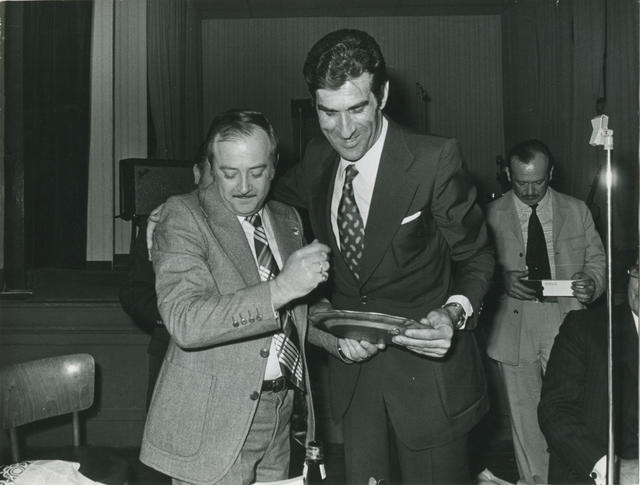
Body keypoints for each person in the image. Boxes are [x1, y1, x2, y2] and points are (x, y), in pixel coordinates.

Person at [273, 29, 495, 484]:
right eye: (328, 112)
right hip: (356, 382)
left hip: (430, 383)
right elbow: (265, 197)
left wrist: (453, 313)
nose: (344, 130)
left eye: (357, 108)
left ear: (383, 96)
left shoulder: (434, 159)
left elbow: (477, 258)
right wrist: (192, 206)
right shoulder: (317, 159)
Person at [139, 109, 340, 485]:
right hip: (214, 423)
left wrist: (341, 340)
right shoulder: (183, 216)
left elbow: (294, 313)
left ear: (275, 166)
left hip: (281, 413)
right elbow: (185, 321)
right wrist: (280, 288)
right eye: (229, 173)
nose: (244, 186)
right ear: (211, 168)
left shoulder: (287, 218)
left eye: (257, 172)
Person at [485, 139, 606, 484]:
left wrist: (592, 282)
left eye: (537, 181)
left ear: (551, 173)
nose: (529, 190)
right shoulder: (489, 215)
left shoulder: (577, 210)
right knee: (524, 418)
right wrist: (500, 280)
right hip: (513, 324)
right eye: (520, 182)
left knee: (569, 410)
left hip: (565, 320)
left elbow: (597, 261)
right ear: (508, 176)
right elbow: (472, 268)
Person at [119, 155, 213, 408]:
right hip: (172, 354)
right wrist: (175, 315)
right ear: (197, 173)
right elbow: (135, 292)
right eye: (215, 173)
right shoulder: (164, 220)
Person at [538, 260, 638, 484]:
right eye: (639, 270)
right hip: (598, 471)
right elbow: (555, 412)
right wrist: (612, 469)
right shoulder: (585, 328)